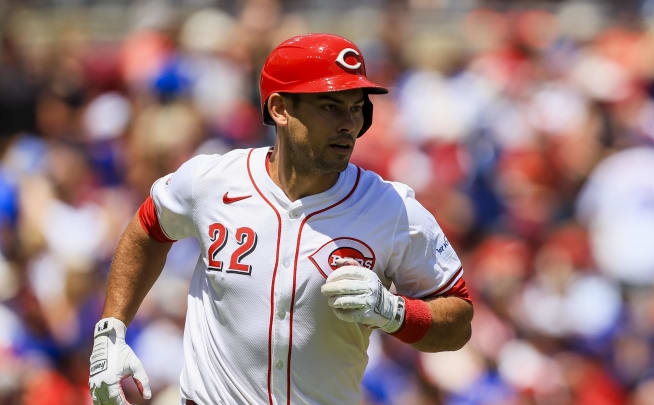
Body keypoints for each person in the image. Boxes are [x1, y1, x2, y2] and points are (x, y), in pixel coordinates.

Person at [88, 33, 473, 405]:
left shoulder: (392, 208)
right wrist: (112, 329)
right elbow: (149, 229)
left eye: (356, 108)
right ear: (279, 109)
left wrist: (396, 313)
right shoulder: (211, 181)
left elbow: (458, 319)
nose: (348, 124)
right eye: (330, 106)